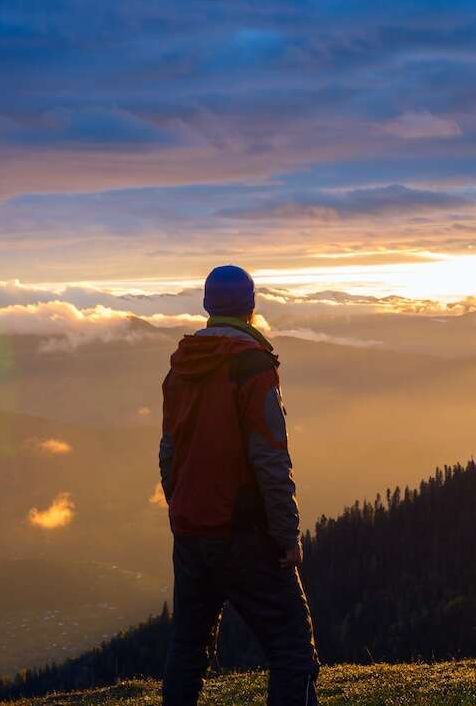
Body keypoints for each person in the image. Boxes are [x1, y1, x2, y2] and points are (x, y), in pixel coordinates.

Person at [159, 264, 320, 706]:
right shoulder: (252, 364)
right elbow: (270, 458)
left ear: (207, 305)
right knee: (292, 651)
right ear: (251, 307)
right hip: (243, 533)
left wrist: (184, 508)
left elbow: (168, 454)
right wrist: (286, 535)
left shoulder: (180, 367)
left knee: (188, 650)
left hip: (192, 532)